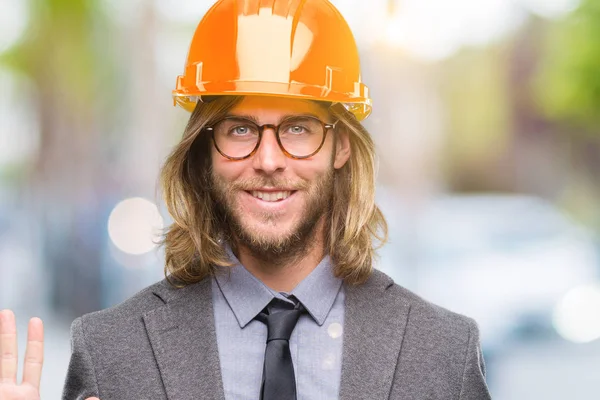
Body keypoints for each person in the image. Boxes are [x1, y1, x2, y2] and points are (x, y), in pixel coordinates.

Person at [0, 0, 491, 399]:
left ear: (341, 146)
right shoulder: (112, 353)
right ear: (202, 153)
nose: (270, 160)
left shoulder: (441, 352)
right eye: (240, 129)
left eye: (299, 128)